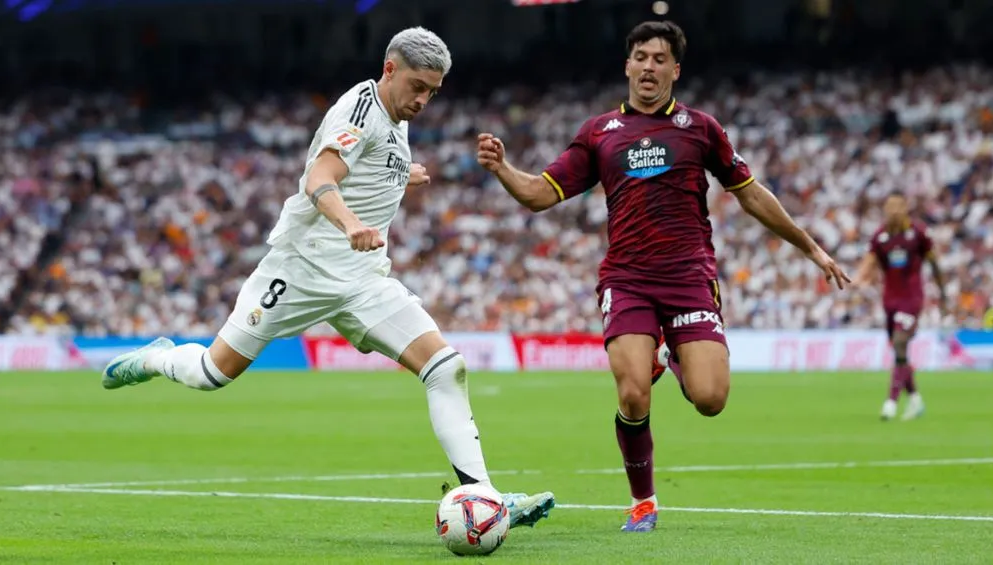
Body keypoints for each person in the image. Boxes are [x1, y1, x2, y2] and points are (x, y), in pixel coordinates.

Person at [101, 26, 554, 528]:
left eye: (433, 91)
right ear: (390, 69)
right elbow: (320, 177)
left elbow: (371, 165)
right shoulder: (359, 110)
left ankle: (485, 496)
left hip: (362, 281)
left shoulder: (396, 115)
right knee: (213, 372)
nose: (424, 100)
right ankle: (159, 357)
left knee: (446, 367)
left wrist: (405, 174)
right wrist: (351, 224)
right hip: (300, 271)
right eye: (418, 87)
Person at [476, 20, 849, 532]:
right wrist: (502, 169)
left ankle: (670, 352)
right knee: (632, 392)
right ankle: (644, 502)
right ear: (627, 65)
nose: (648, 67)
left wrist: (811, 247)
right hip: (627, 279)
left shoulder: (701, 128)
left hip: (689, 278)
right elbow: (540, 193)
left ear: (675, 69)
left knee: (711, 400)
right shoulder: (599, 132)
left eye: (659, 59)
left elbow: (751, 193)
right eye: (640, 57)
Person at [855, 191, 946, 421]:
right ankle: (915, 400)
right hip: (889, 301)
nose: (893, 210)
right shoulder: (880, 236)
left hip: (912, 298)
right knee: (899, 352)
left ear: (906, 208)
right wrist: (856, 280)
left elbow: (934, 262)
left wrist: (943, 292)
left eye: (897, 206)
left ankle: (890, 403)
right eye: (889, 206)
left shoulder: (918, 233)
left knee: (899, 343)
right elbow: (869, 261)